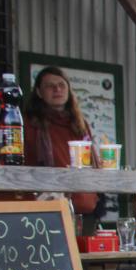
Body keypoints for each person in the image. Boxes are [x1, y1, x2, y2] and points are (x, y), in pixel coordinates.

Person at [23, 65, 99, 217]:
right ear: (39, 92)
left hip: (85, 210)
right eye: (50, 86)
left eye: (61, 85)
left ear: (68, 90)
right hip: (47, 210)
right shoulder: (29, 123)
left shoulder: (80, 124)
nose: (57, 89)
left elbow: (93, 164)